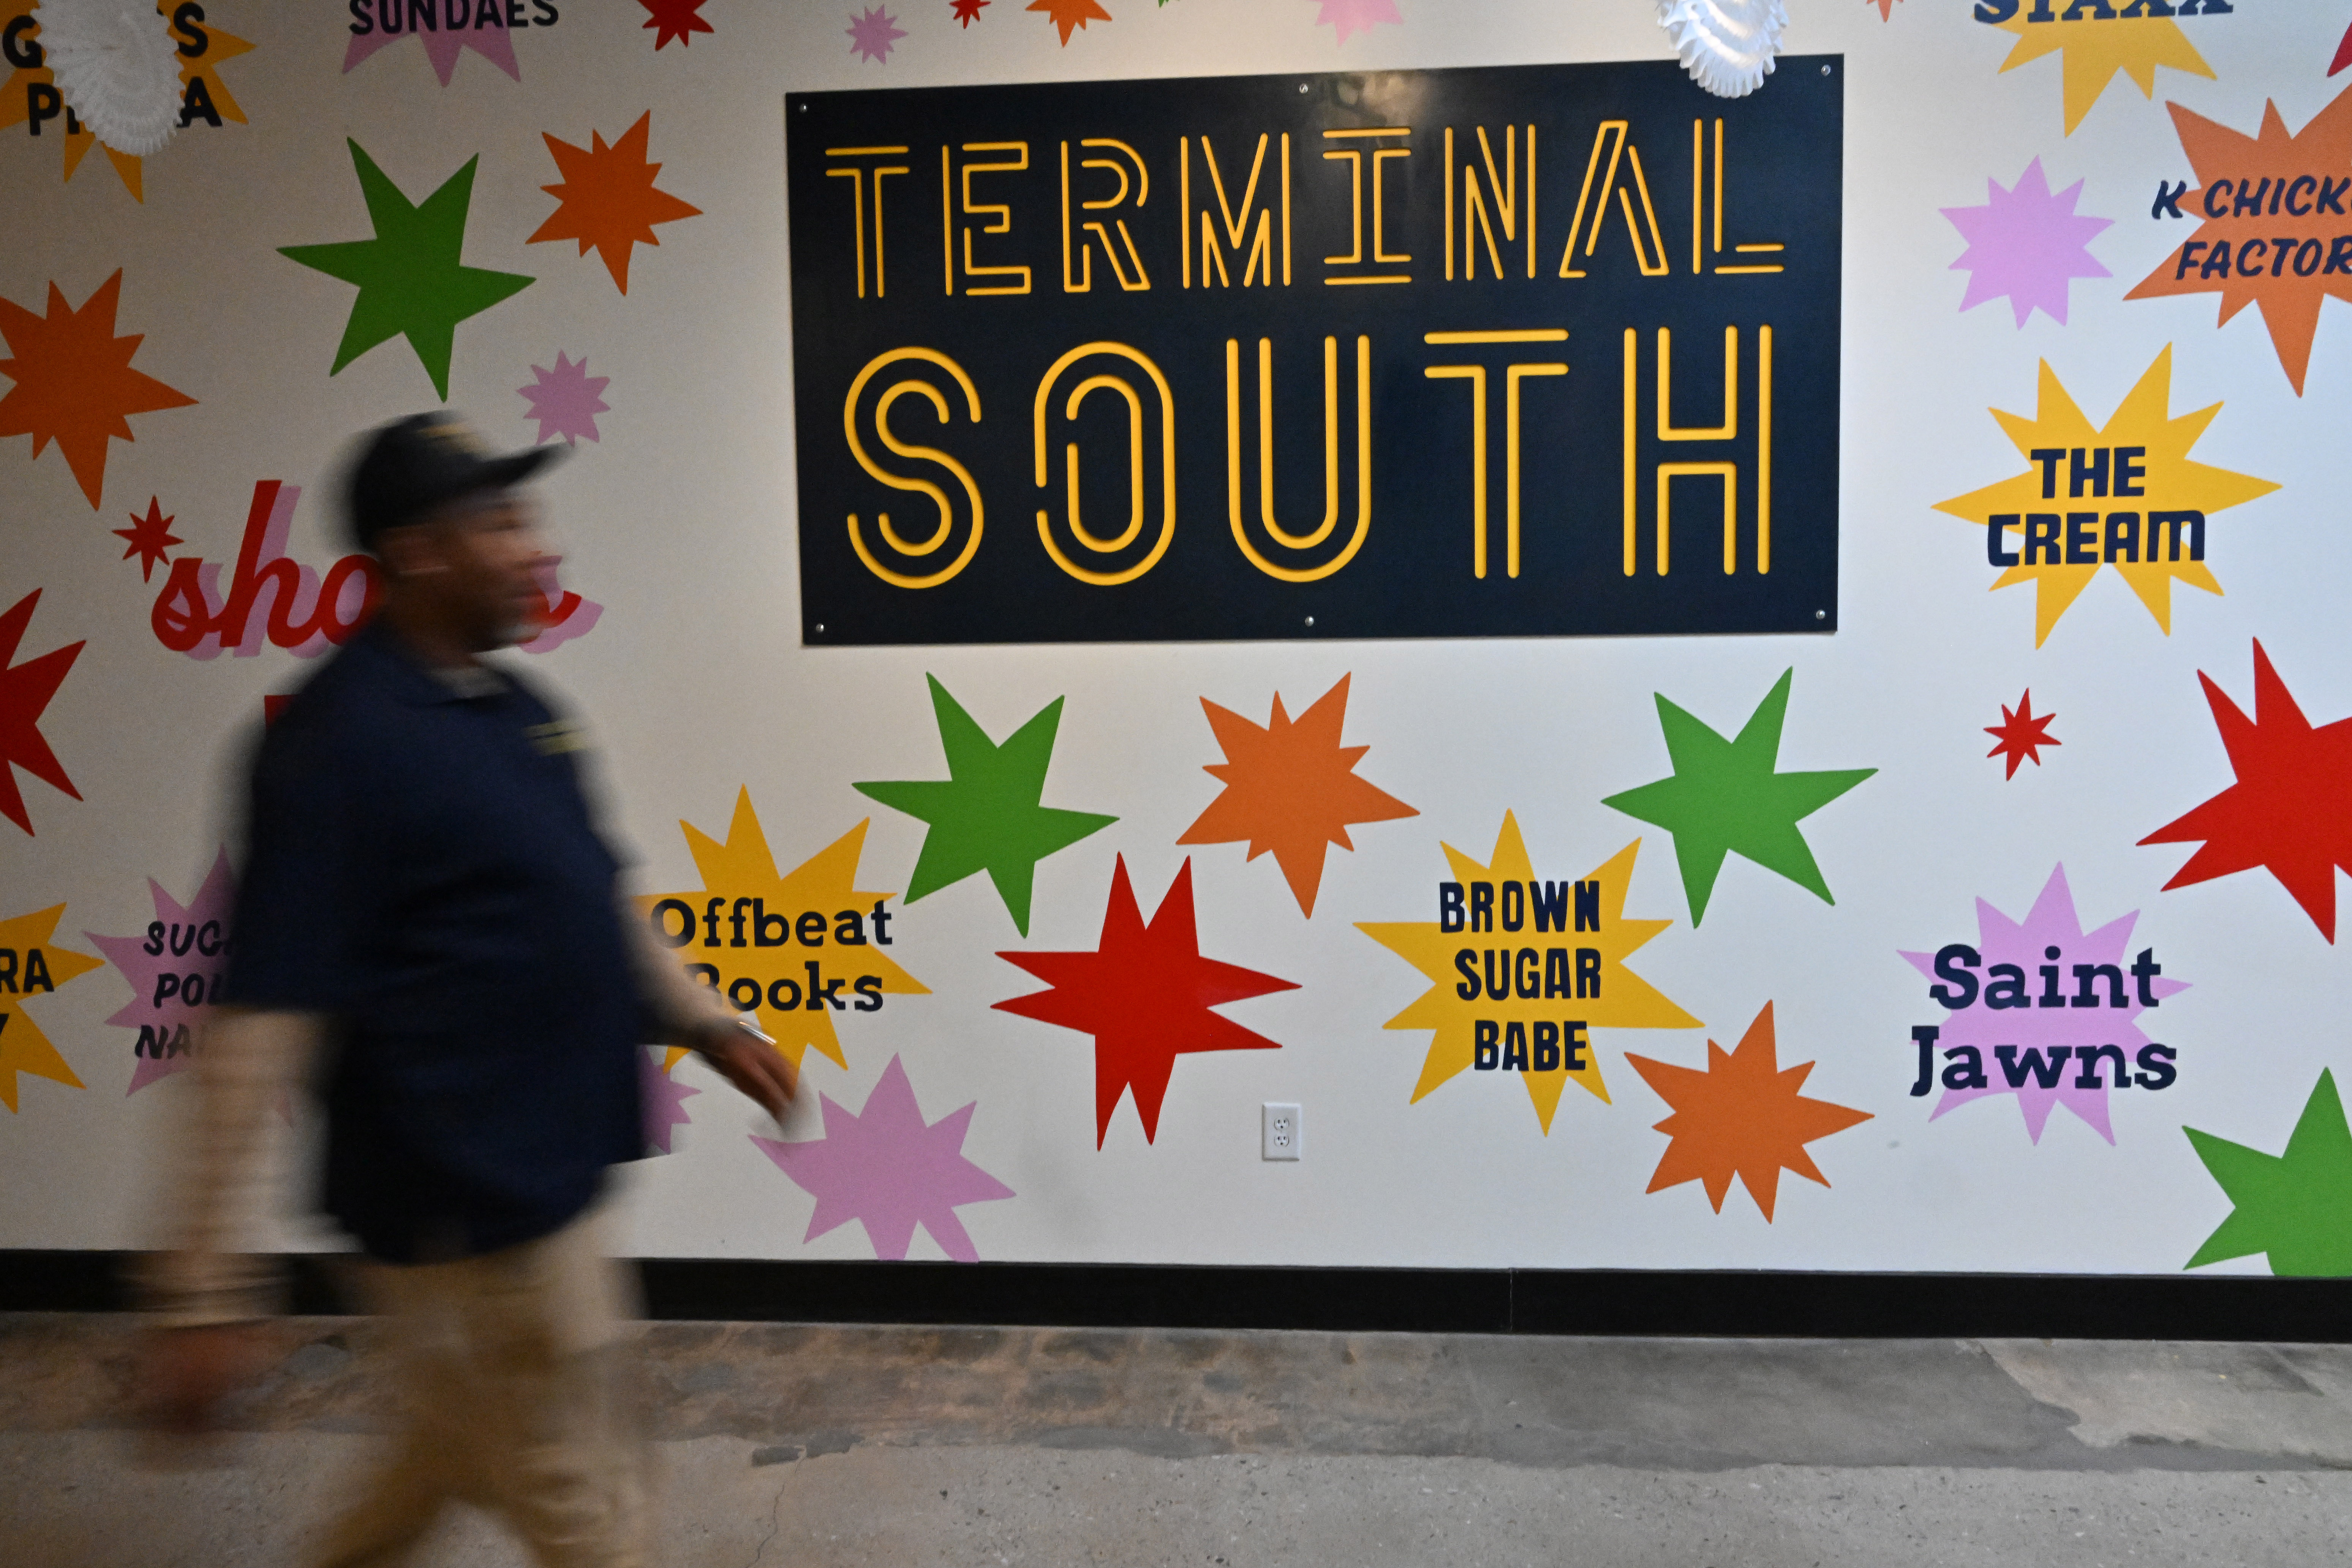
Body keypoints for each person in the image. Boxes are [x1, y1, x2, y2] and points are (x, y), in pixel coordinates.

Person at [139, 411, 797, 1567]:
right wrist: (202, 1292)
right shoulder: (333, 746)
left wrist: (705, 1022)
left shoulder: (521, 714)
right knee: (594, 1512)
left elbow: (597, 896)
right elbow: (259, 1026)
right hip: (461, 1220)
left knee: (441, 1461)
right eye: (501, 522)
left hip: (553, 1187)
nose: (540, 547)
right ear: (417, 553)